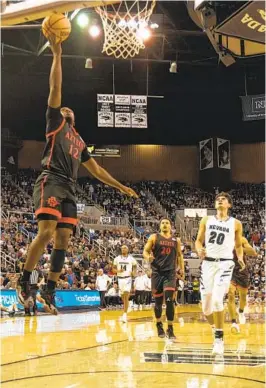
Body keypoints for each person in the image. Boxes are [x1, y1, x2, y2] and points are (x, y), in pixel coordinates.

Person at [17, 38, 138, 315]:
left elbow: (96, 170)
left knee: (63, 240)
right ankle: (25, 282)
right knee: (46, 232)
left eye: (69, 109)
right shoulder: (55, 122)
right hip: (51, 179)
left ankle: (49, 289)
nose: (66, 108)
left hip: (70, 189)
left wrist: (120, 186)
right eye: (63, 108)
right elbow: (55, 87)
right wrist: (57, 54)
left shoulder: (79, 141)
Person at [195, 192, 244, 355]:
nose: (219, 200)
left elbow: (238, 245)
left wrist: (241, 258)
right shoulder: (206, 220)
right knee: (206, 309)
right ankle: (216, 328)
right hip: (208, 263)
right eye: (218, 199)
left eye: (223, 199)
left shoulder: (236, 223)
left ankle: (219, 340)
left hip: (225, 263)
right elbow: (198, 241)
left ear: (229, 204)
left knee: (217, 299)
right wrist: (198, 249)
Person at [143, 218, 184, 340]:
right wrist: (148, 257)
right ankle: (159, 324)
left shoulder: (176, 240)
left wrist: (182, 270)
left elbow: (180, 256)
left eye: (167, 223)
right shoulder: (154, 237)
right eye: (163, 223)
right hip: (157, 273)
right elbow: (145, 251)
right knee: (158, 303)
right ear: (160, 226)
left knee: (170, 300)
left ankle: (170, 328)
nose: (165, 225)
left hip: (170, 273)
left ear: (171, 226)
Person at [228, 237, 257, 333]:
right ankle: (233, 322)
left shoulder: (242, 240)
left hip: (241, 270)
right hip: (229, 269)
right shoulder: (224, 238)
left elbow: (253, 252)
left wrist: (239, 248)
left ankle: (240, 311)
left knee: (243, 297)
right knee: (230, 294)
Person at [113, 245, 137, 322]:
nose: (123, 249)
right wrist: (118, 271)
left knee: (126, 296)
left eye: (125, 248)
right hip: (120, 279)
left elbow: (135, 266)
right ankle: (128, 305)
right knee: (123, 297)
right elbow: (113, 269)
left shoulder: (131, 258)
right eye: (122, 248)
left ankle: (124, 314)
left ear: (128, 249)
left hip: (128, 278)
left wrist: (134, 272)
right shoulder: (117, 258)